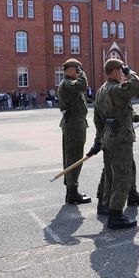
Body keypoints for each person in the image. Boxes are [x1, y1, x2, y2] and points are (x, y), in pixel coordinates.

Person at [92, 59, 139, 229]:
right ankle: (116, 215)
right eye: (121, 69)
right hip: (120, 139)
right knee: (122, 175)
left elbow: (103, 117)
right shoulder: (115, 89)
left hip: (109, 137)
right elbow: (136, 87)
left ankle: (113, 202)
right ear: (116, 71)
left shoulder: (102, 90)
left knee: (115, 172)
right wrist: (129, 71)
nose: (123, 73)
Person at [57, 58, 92, 205]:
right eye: (78, 69)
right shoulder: (68, 84)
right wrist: (82, 73)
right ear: (71, 69)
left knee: (72, 157)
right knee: (74, 158)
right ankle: (72, 192)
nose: (80, 72)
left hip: (74, 124)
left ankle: (72, 191)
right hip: (74, 126)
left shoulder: (68, 83)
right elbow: (83, 85)